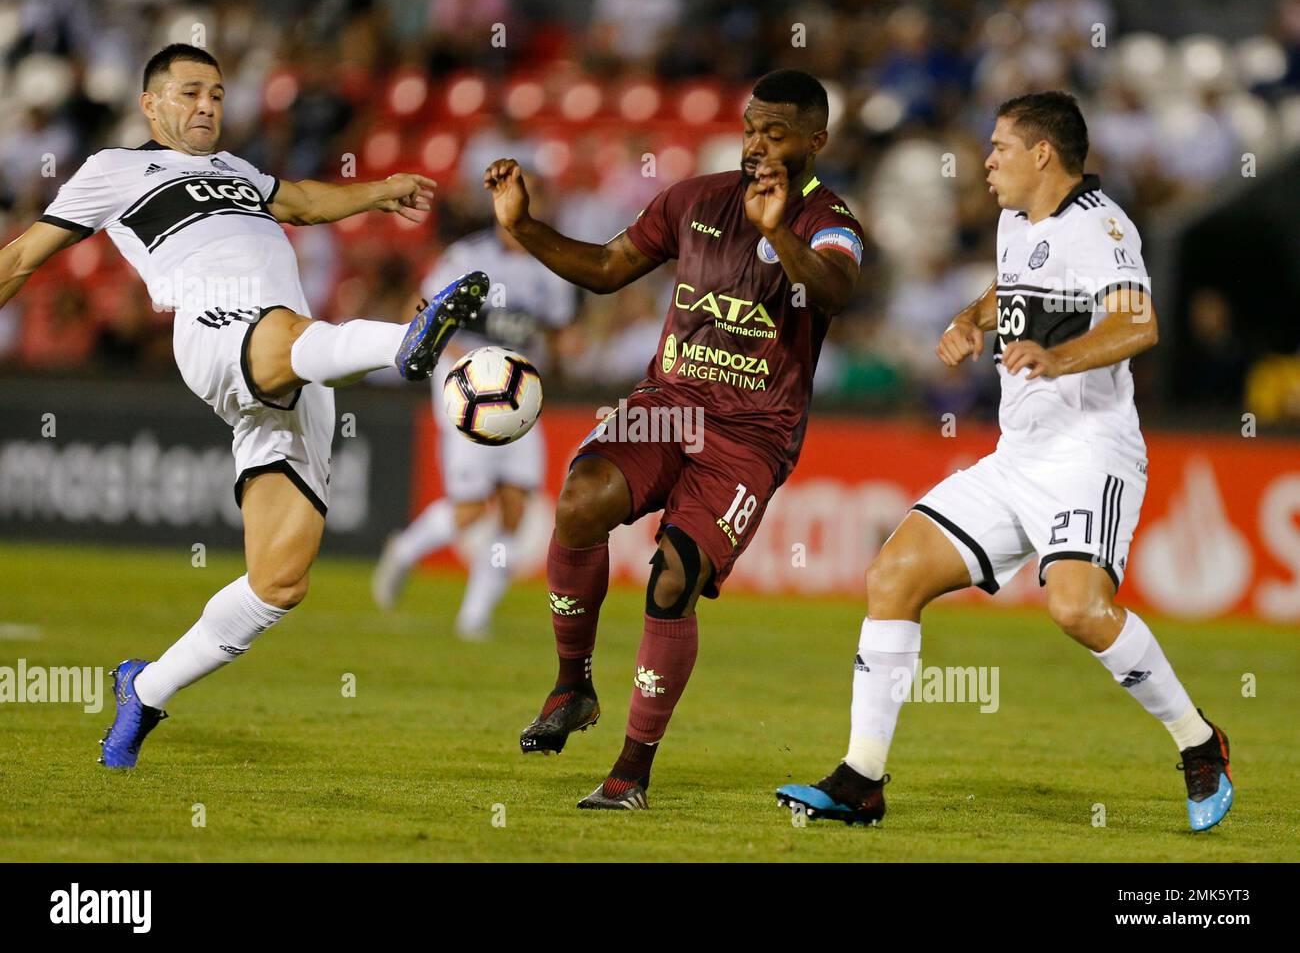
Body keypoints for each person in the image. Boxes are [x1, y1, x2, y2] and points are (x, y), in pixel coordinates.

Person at [0, 43, 486, 767]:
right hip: (218, 329)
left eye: (219, 94)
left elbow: (303, 202)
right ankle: (404, 343)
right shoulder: (114, 170)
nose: (208, 106)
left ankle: (146, 688)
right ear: (151, 103)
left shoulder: (236, 171)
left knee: (279, 581)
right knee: (292, 332)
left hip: (295, 369)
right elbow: (19, 258)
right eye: (192, 91)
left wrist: (379, 188)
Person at [776, 91, 1233, 832]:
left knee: (1078, 609)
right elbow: (1009, 291)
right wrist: (967, 319)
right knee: (893, 573)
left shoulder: (1103, 227)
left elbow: (1137, 321)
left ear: (1043, 154)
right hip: (1017, 456)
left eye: (1000, 148)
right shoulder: (1013, 222)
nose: (986, 161)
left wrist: (1058, 357)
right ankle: (861, 778)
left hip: (1091, 454)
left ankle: (1199, 742)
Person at [485, 69, 864, 809]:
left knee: (672, 576)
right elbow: (603, 269)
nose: (756, 144)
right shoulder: (695, 199)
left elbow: (837, 290)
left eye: (776, 132)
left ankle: (630, 773)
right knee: (579, 500)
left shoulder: (830, 218)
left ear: (816, 140)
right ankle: (572, 685)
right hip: (667, 405)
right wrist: (523, 227)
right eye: (751, 127)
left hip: (751, 434)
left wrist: (776, 230)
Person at [371, 203, 576, 640]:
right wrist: (456, 362)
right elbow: (421, 306)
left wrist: (559, 358)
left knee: (516, 507)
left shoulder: (550, 264)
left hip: (519, 394)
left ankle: (474, 618)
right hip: (467, 394)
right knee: (470, 509)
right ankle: (406, 552)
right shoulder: (467, 259)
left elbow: (557, 329)